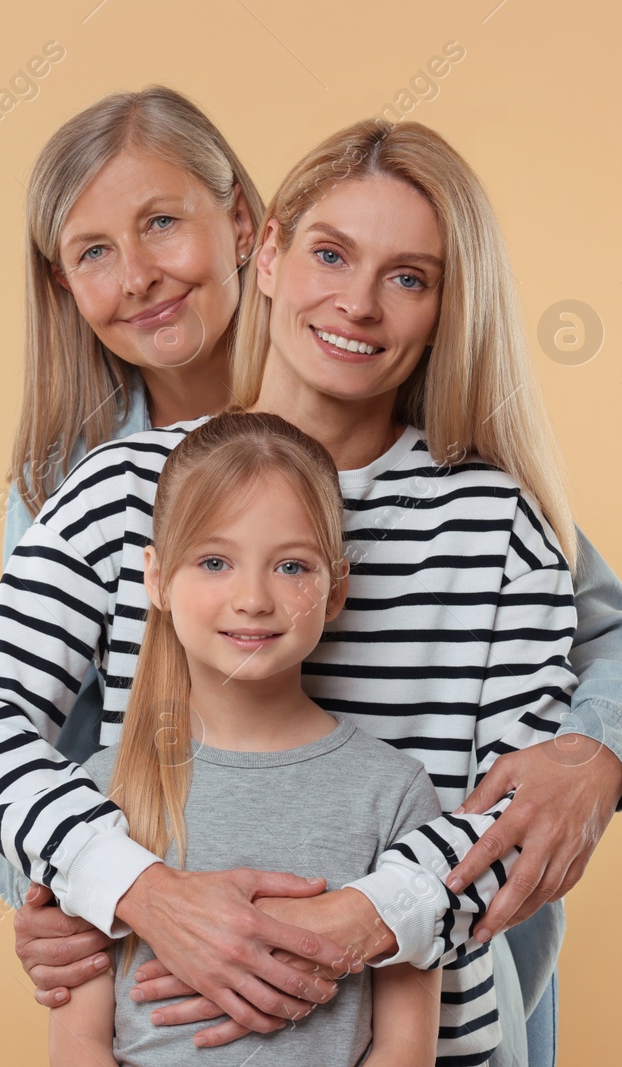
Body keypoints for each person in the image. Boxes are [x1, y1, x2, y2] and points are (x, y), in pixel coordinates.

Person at [0, 113, 622, 1066]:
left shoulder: (500, 528)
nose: (360, 304)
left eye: (409, 278)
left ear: (447, 307)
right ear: (269, 251)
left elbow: (514, 810)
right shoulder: (121, 488)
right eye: (330, 254)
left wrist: (354, 920)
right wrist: (128, 887)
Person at [47, 410, 468, 1067]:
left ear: (335, 589)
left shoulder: (394, 794)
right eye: (215, 560)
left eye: (291, 566)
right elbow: (77, 1043)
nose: (252, 597)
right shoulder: (101, 795)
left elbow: (406, 1046)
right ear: (156, 578)